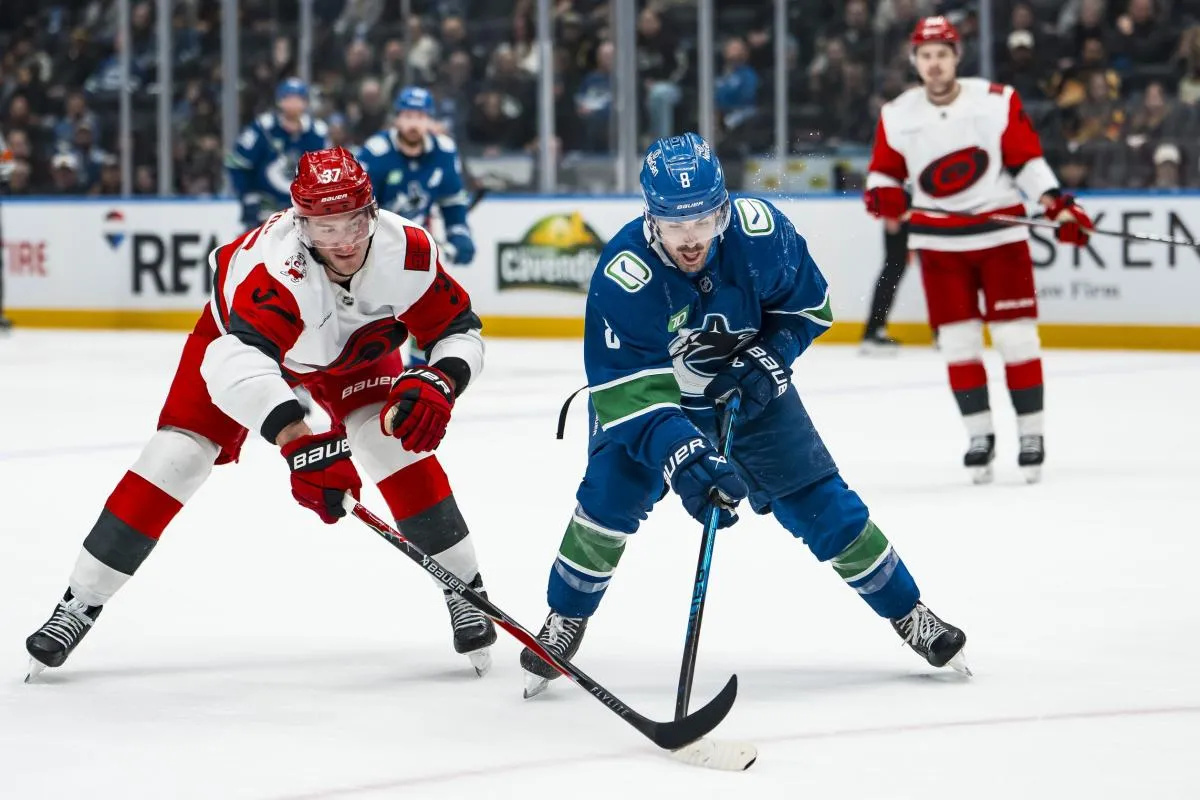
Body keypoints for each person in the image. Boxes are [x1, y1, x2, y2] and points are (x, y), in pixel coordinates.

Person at [517, 133, 969, 699]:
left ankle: (909, 612)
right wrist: (684, 455)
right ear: (650, 217)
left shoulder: (761, 234)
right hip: (655, 407)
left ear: (724, 209)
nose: (691, 241)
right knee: (607, 499)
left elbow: (808, 308)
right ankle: (566, 617)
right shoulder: (624, 273)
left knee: (820, 498)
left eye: (704, 222)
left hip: (747, 394)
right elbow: (628, 395)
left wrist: (769, 357)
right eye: (676, 225)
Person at [25, 148, 497, 680]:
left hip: (352, 349)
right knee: (176, 456)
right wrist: (300, 440)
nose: (342, 241)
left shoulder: (407, 250)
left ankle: (465, 588)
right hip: (239, 346)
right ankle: (80, 601)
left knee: (387, 442)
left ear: (374, 212)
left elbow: (459, 330)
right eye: (324, 228)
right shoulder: (274, 266)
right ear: (301, 224)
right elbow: (237, 365)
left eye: (355, 222)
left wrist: (442, 379)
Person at [864, 16, 1095, 485]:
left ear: (956, 57)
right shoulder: (897, 113)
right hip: (939, 245)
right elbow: (884, 172)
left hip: (999, 238)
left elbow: (1026, 159)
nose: (934, 64)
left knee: (1017, 339)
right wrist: (882, 193)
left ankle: (1031, 435)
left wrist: (1054, 204)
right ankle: (979, 436)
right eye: (925, 56)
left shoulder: (996, 101)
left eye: (942, 54)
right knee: (959, 345)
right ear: (915, 61)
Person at [357, 86, 476, 366]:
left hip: (416, 244)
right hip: (372, 246)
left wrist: (459, 231)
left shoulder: (444, 151)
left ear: (431, 120)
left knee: (426, 310)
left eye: (421, 115)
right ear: (397, 118)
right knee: (371, 317)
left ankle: (417, 372)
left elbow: (451, 199)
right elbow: (357, 209)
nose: (414, 122)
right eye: (408, 115)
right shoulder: (376, 152)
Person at [225, 78, 331, 230]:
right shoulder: (263, 128)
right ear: (280, 101)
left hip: (305, 212)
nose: (293, 103)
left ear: (306, 102)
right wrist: (248, 195)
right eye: (288, 98)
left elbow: (327, 172)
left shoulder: (317, 133)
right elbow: (236, 163)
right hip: (264, 209)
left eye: (298, 99)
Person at [859, 218, 910, 355]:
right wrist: (891, 211)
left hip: (911, 211)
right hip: (902, 211)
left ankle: (874, 330)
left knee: (895, 268)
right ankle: (873, 331)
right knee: (894, 268)